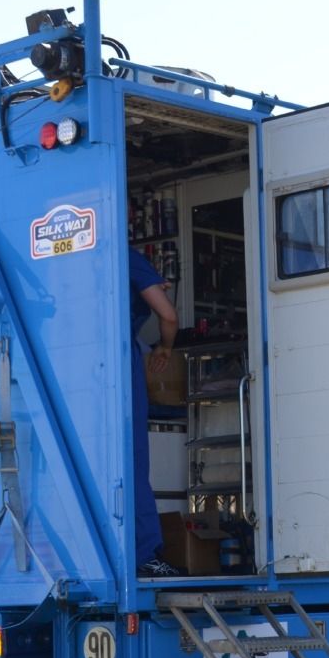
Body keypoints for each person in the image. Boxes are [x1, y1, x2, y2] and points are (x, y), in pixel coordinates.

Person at [130, 246, 181, 578]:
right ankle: (145, 553)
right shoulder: (129, 257)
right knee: (132, 462)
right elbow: (169, 316)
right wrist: (165, 346)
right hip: (119, 361)